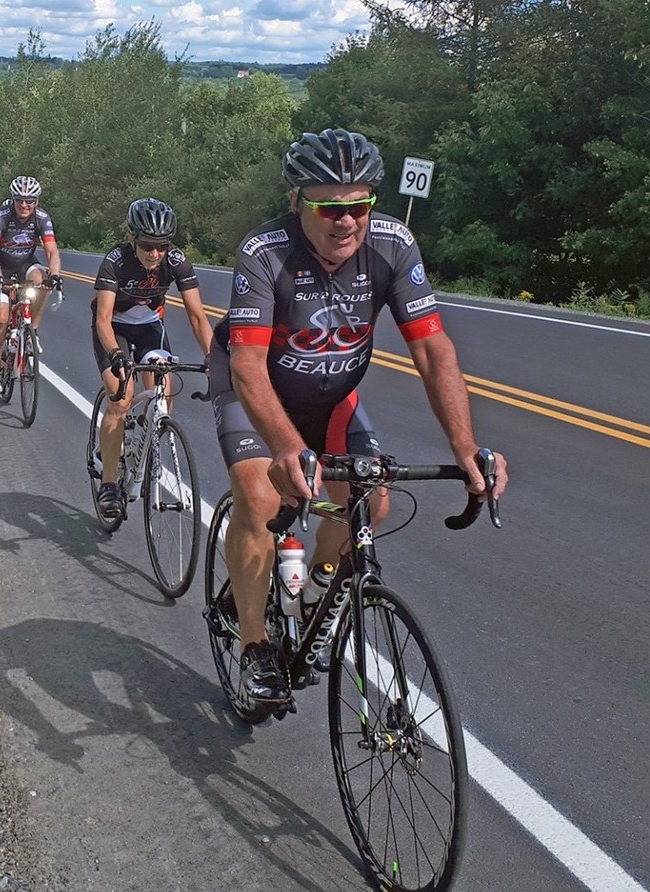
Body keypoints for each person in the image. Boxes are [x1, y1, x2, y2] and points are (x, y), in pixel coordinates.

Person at [209, 128, 509, 704]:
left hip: (331, 393)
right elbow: (247, 364)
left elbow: (432, 349)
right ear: (297, 201)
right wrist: (285, 447)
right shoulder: (265, 250)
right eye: (329, 207)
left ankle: (317, 586)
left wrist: (465, 446)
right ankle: (254, 645)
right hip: (257, 388)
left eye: (359, 205)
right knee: (261, 496)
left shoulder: (393, 244)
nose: (346, 221)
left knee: (372, 501)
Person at [90, 198, 213, 519]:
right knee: (120, 398)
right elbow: (102, 319)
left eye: (162, 246)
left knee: (164, 390)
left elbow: (198, 317)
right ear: (132, 238)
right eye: (147, 245)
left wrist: (214, 358)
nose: (155, 253)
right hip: (114, 327)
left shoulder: (177, 262)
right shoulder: (116, 261)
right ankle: (108, 484)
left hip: (148, 326)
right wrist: (116, 354)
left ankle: (142, 436)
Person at [0, 175, 62, 393]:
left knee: (43, 281)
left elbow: (52, 251)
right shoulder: (1, 216)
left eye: (30, 201)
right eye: (19, 200)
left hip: (25, 261)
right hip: (0, 263)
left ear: (37, 201)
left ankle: (32, 331)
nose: (24, 205)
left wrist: (55, 275)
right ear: (13, 199)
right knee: (1, 318)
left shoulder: (42, 218)